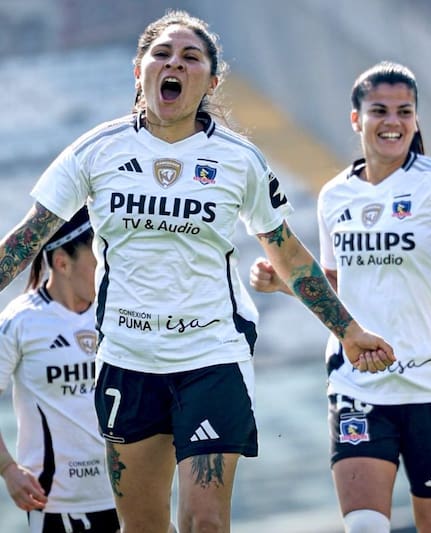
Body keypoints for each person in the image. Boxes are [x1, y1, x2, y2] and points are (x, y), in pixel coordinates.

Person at [0, 10, 395, 533]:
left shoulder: (239, 159)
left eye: (191, 58)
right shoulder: (96, 151)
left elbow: (288, 253)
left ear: (211, 81)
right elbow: (30, 236)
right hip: (128, 361)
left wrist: (347, 329)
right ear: (139, 70)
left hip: (211, 356)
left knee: (205, 521)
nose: (175, 64)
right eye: (162, 54)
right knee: (143, 526)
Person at [250, 61, 431, 533]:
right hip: (359, 384)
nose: (393, 121)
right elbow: (337, 284)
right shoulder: (334, 196)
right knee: (365, 526)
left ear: (416, 120)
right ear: (356, 119)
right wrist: (285, 283)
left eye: (404, 111)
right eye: (379, 110)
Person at [0, 208, 120, 533]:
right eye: (96, 261)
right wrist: (8, 468)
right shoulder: (20, 321)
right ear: (62, 263)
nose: (105, 271)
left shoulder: (116, 314)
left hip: (126, 497)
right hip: (55, 504)